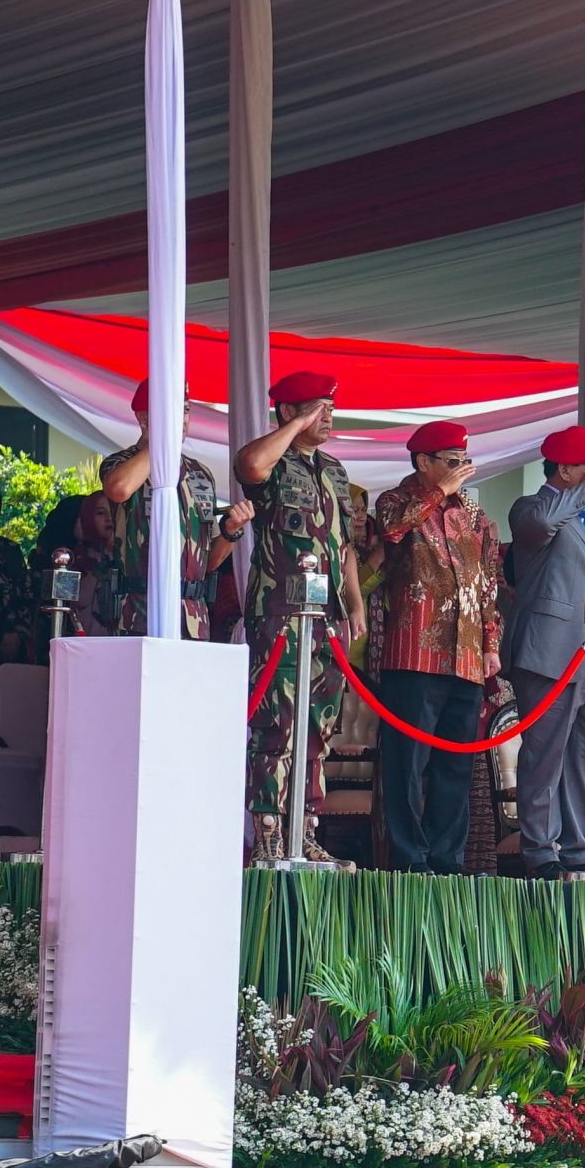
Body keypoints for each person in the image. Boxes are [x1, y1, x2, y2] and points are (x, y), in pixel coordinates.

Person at [235, 370, 366, 863]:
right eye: (317, 408)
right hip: (281, 614)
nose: (327, 416)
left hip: (327, 618)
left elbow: (346, 546)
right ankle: (269, 831)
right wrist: (294, 426)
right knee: (278, 722)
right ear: (288, 412)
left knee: (319, 725)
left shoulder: (333, 470)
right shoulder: (271, 459)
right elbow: (249, 463)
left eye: (330, 408)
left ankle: (304, 829)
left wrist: (354, 604)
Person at [368, 420, 504, 875]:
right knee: (407, 763)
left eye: (464, 461)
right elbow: (389, 531)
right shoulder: (395, 501)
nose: (461, 469)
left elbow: (488, 587)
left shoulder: (476, 518)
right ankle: (409, 859)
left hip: (465, 657)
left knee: (455, 765)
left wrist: (490, 646)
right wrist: (435, 494)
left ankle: (448, 861)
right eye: (452, 461)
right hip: (413, 654)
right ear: (424, 462)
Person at [502, 425, 585, 879]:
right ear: (565, 469)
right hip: (550, 649)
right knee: (544, 753)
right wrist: (584, 490)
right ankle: (540, 849)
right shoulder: (530, 507)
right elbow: (542, 525)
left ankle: (577, 845)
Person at [97, 379, 242, 641]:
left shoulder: (200, 474)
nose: (181, 419)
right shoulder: (121, 463)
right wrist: (162, 443)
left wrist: (230, 532)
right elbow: (119, 488)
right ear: (143, 418)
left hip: (194, 616)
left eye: (185, 410)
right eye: (170, 411)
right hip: (139, 610)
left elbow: (207, 562)